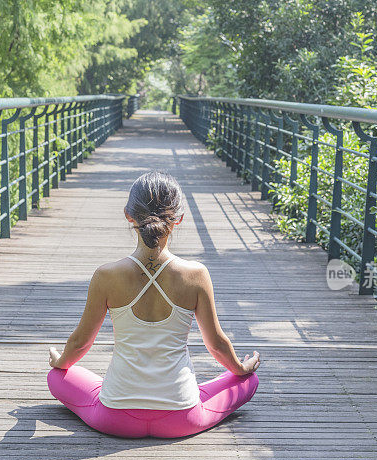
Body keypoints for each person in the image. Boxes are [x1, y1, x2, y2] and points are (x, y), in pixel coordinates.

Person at [46, 170, 259, 438]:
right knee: (249, 380)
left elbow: (80, 343)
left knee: (56, 377)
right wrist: (240, 368)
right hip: (182, 417)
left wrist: (61, 361)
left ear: (128, 214)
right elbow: (216, 344)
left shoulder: (106, 276)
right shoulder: (196, 275)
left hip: (115, 417)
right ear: (179, 218)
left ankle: (110, 391)